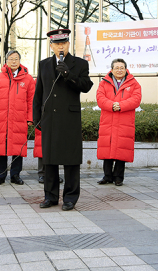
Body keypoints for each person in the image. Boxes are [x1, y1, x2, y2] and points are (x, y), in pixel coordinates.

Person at [33, 28, 93, 211]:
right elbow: (39, 93)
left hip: (69, 118)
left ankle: (70, 198)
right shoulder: (43, 64)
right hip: (49, 117)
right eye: (57, 43)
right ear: (51, 45)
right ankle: (50, 196)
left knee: (71, 160)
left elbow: (86, 86)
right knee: (49, 160)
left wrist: (68, 75)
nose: (60, 46)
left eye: (63, 43)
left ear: (68, 44)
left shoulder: (80, 63)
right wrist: (37, 118)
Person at [0, 50, 35, 185]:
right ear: (6, 61)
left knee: (18, 148)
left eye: (16, 59)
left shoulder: (28, 79)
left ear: (20, 61)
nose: (13, 61)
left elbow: (31, 100)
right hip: (2, 119)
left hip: (19, 119)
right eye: (11, 59)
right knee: (0, 148)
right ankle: (0, 176)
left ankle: (15, 175)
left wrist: (30, 118)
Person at [96, 58, 142, 186]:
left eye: (122, 68)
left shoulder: (133, 83)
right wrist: (112, 105)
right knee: (107, 149)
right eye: (117, 68)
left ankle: (118, 177)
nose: (119, 70)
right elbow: (100, 98)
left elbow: (136, 99)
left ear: (126, 69)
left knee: (121, 150)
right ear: (111, 70)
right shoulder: (104, 83)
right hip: (108, 121)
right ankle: (107, 176)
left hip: (124, 122)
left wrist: (120, 105)